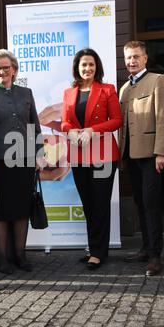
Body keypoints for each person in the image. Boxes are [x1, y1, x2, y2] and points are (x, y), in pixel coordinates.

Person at [0, 49, 43, 274]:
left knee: (21, 209)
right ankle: (3, 259)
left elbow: (34, 125)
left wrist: (39, 153)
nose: (2, 72)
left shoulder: (26, 93)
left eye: (6, 67)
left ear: (14, 70)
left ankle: (21, 257)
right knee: (0, 211)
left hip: (24, 160)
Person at [61, 48, 122, 269]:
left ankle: (98, 253)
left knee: (99, 204)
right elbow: (65, 121)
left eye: (91, 64)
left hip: (103, 156)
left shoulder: (107, 90)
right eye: (84, 64)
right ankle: (94, 248)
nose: (87, 68)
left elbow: (116, 120)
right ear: (77, 67)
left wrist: (91, 130)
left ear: (97, 67)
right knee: (88, 204)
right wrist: (70, 131)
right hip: (78, 155)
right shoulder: (69, 92)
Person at [119, 40, 164, 276]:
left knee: (151, 204)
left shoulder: (158, 80)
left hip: (151, 155)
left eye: (136, 57)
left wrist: (162, 152)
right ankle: (145, 248)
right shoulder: (124, 89)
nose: (132, 61)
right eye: (128, 57)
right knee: (140, 203)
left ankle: (155, 256)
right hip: (131, 155)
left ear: (145, 58)